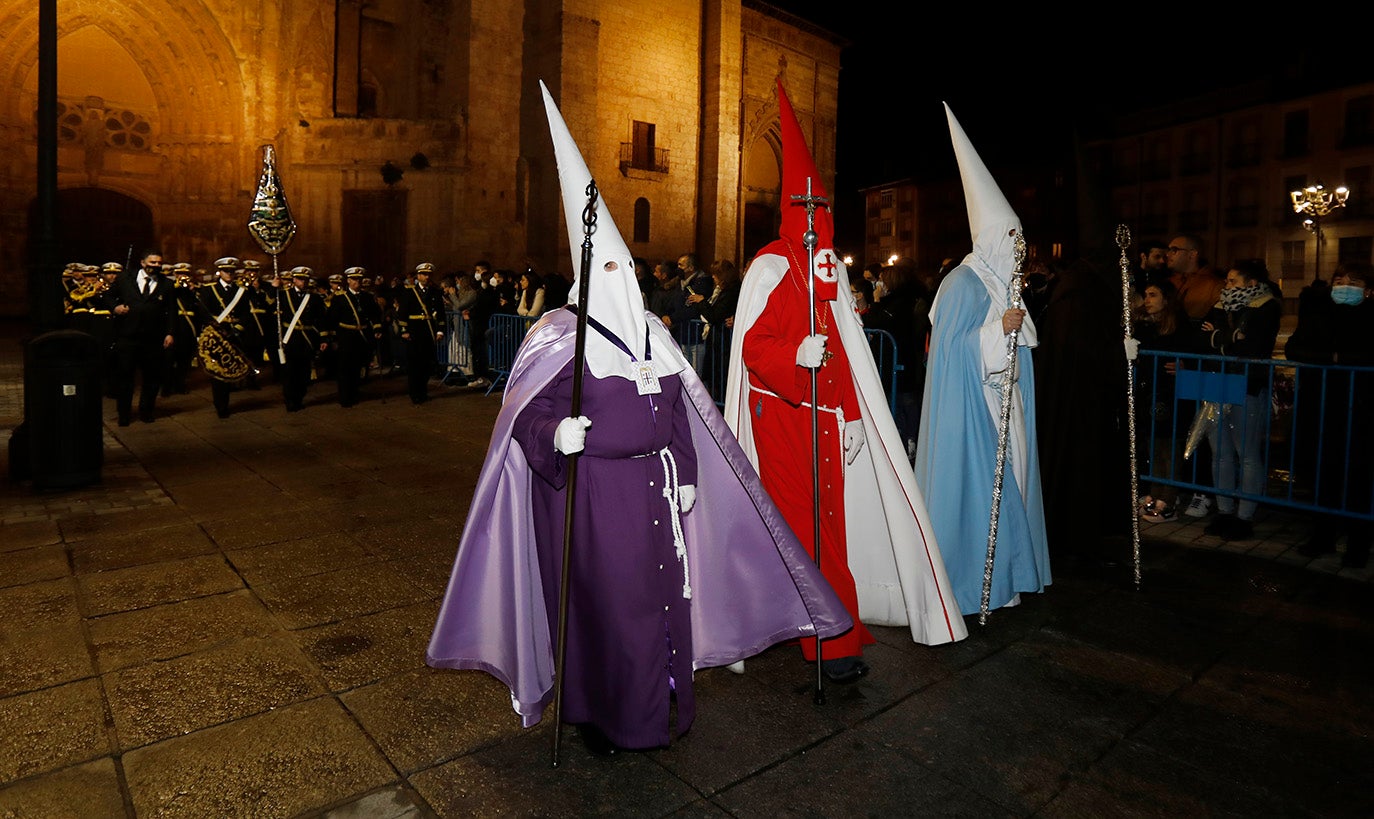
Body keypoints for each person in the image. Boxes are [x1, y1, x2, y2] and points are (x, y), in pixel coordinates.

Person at [427, 82, 852, 755]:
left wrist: (682, 467)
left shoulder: (655, 332)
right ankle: (609, 716)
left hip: (655, 491)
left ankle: (667, 709)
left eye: (629, 268)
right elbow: (526, 417)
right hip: (596, 499)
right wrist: (555, 436)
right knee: (612, 614)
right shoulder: (560, 336)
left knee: (664, 606)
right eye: (612, 269)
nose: (624, 278)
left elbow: (680, 407)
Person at [725, 80, 966, 685]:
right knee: (803, 528)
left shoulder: (827, 271)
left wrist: (853, 414)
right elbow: (755, 349)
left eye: (822, 209)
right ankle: (831, 644)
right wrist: (793, 355)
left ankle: (807, 624)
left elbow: (847, 356)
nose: (816, 220)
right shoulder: (771, 268)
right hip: (780, 418)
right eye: (807, 210)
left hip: (824, 423)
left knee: (826, 523)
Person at [913, 103, 1050, 617]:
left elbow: (1025, 343)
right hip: (976, 410)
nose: (1018, 249)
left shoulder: (1004, 282)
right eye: (1011, 239)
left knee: (1011, 486)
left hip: (1004, 403)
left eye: (1021, 239)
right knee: (980, 494)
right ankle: (977, 581)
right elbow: (950, 352)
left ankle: (1008, 579)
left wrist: (1011, 328)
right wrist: (998, 332)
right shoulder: (962, 283)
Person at [1287, 261, 1374, 567]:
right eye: (1339, 280)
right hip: (1323, 408)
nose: (1342, 286)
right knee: (1325, 474)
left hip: (1361, 410)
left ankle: (1358, 544)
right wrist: (1331, 358)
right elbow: (1294, 349)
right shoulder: (1320, 314)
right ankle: (1322, 536)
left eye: (1351, 282)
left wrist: (1342, 359)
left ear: (1367, 291)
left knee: (1359, 479)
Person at [1198, 259, 1281, 541]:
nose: (1227, 286)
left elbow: (1253, 346)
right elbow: (1200, 338)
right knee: (1219, 452)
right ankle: (1223, 511)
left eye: (1233, 281)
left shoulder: (1267, 306)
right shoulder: (1221, 305)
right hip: (1216, 381)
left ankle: (1244, 516)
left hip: (1247, 383)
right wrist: (1231, 338)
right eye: (1227, 281)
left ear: (1251, 283)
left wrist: (1218, 337)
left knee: (1246, 453)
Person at [1134, 278, 1194, 523]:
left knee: (1168, 447)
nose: (1147, 300)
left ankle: (1167, 499)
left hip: (1170, 394)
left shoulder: (1180, 326)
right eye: (1146, 295)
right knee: (1152, 445)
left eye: (1153, 295)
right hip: (1149, 392)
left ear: (1167, 299)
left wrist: (1185, 365)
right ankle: (1152, 492)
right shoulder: (1144, 325)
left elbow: (1192, 353)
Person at [111, 249, 176, 426]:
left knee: (152, 378)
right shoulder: (125, 279)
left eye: (158, 263)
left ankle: (146, 411)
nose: (155, 266)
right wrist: (115, 308)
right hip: (128, 337)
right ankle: (124, 414)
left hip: (153, 339)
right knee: (125, 378)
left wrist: (170, 333)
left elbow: (171, 311)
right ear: (142, 262)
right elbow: (108, 296)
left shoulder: (167, 284)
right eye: (152, 262)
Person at [685, 258, 741, 399]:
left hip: (724, 345)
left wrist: (701, 301)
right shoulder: (721, 291)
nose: (713, 278)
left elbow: (715, 315)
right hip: (717, 344)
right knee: (714, 380)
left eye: (716, 274)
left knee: (720, 382)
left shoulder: (731, 292)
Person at [328, 267, 383, 407]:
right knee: (345, 369)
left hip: (362, 337)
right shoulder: (340, 298)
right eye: (354, 279)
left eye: (358, 279)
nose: (356, 282)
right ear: (348, 281)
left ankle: (354, 393)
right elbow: (332, 319)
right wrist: (334, 339)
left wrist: (377, 328)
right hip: (346, 337)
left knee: (358, 368)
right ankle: (345, 397)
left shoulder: (367, 297)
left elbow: (375, 314)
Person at [396, 261, 448, 404]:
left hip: (428, 332)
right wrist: (404, 330)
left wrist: (440, 330)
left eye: (428, 275)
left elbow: (441, 314)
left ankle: (423, 392)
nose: (426, 277)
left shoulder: (435, 292)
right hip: (413, 332)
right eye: (424, 274)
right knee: (414, 365)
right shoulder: (409, 292)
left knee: (426, 365)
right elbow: (402, 313)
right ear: (418, 275)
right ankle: (414, 393)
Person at [278, 266, 329, 412]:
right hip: (291, 339)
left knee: (304, 373)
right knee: (290, 372)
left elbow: (321, 319)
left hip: (307, 339)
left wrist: (323, 338)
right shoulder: (283, 295)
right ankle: (290, 400)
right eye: (300, 279)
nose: (303, 282)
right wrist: (273, 287)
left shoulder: (314, 298)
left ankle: (299, 397)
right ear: (294, 279)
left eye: (305, 279)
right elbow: (270, 306)